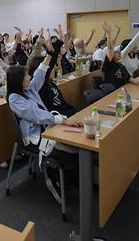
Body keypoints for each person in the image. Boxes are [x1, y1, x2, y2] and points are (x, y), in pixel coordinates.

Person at [6, 55, 82, 200]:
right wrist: (61, 120)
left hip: (49, 129)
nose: (29, 77)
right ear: (18, 80)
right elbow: (35, 115)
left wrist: (50, 54)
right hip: (36, 139)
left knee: (76, 146)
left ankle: (72, 181)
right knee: (68, 156)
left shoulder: (29, 90)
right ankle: (55, 181)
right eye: (26, 75)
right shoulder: (14, 99)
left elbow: (39, 74)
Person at [101, 22, 139, 88]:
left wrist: (137, 82)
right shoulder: (109, 64)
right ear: (112, 55)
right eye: (117, 52)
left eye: (119, 51)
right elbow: (110, 48)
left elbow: (128, 78)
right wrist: (109, 33)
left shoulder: (121, 65)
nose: (120, 53)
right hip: (113, 90)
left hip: (123, 88)